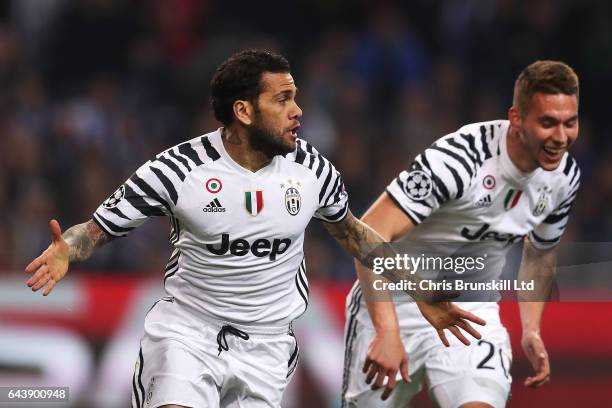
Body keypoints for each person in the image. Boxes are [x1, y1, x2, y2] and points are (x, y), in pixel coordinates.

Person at [24, 49, 484, 408]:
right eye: (283, 99)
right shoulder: (177, 171)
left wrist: (421, 291)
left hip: (267, 344)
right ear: (243, 111)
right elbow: (96, 230)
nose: (298, 110)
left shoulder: (312, 170)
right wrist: (70, 250)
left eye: (295, 97)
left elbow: (356, 236)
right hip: (189, 333)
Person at [342, 60, 581, 408]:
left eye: (569, 123)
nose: (560, 137)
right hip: (394, 305)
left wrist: (531, 328)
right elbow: (364, 235)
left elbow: (541, 250)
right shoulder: (458, 161)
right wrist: (388, 331)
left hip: (472, 315)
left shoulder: (564, 177)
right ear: (516, 118)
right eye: (547, 123)